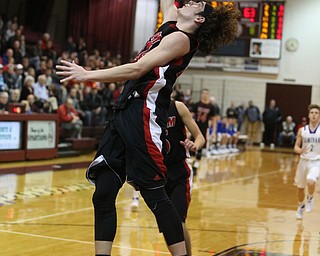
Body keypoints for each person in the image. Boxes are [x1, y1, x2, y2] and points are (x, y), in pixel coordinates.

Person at [56, 1, 240, 255]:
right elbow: (167, 2)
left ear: (199, 19)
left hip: (145, 113)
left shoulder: (182, 40)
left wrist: (87, 75)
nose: (191, 1)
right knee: (103, 192)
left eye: (199, 4)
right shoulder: (172, 23)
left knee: (154, 195)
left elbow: (138, 68)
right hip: (123, 111)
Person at [131, 100, 205, 256]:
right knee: (168, 225)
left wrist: (194, 145)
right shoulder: (143, 110)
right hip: (156, 174)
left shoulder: (177, 107)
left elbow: (200, 137)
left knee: (178, 221)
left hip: (179, 172)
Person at [294, 104, 320, 219]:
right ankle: (300, 206)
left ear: (319, 116)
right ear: (309, 115)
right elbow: (295, 147)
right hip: (303, 161)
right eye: (312, 113)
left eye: (316, 113)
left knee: (311, 181)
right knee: (300, 187)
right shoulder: (302, 130)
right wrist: (300, 150)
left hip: (316, 161)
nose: (314, 115)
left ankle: (310, 197)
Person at [191, 89, 217, 173]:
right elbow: (190, 117)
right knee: (191, 147)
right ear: (201, 94)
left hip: (203, 130)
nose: (205, 95)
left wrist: (213, 132)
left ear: (208, 95)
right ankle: (190, 164)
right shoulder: (196, 105)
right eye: (203, 93)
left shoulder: (211, 107)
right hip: (195, 129)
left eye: (206, 93)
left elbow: (214, 120)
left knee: (200, 149)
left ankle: (195, 167)